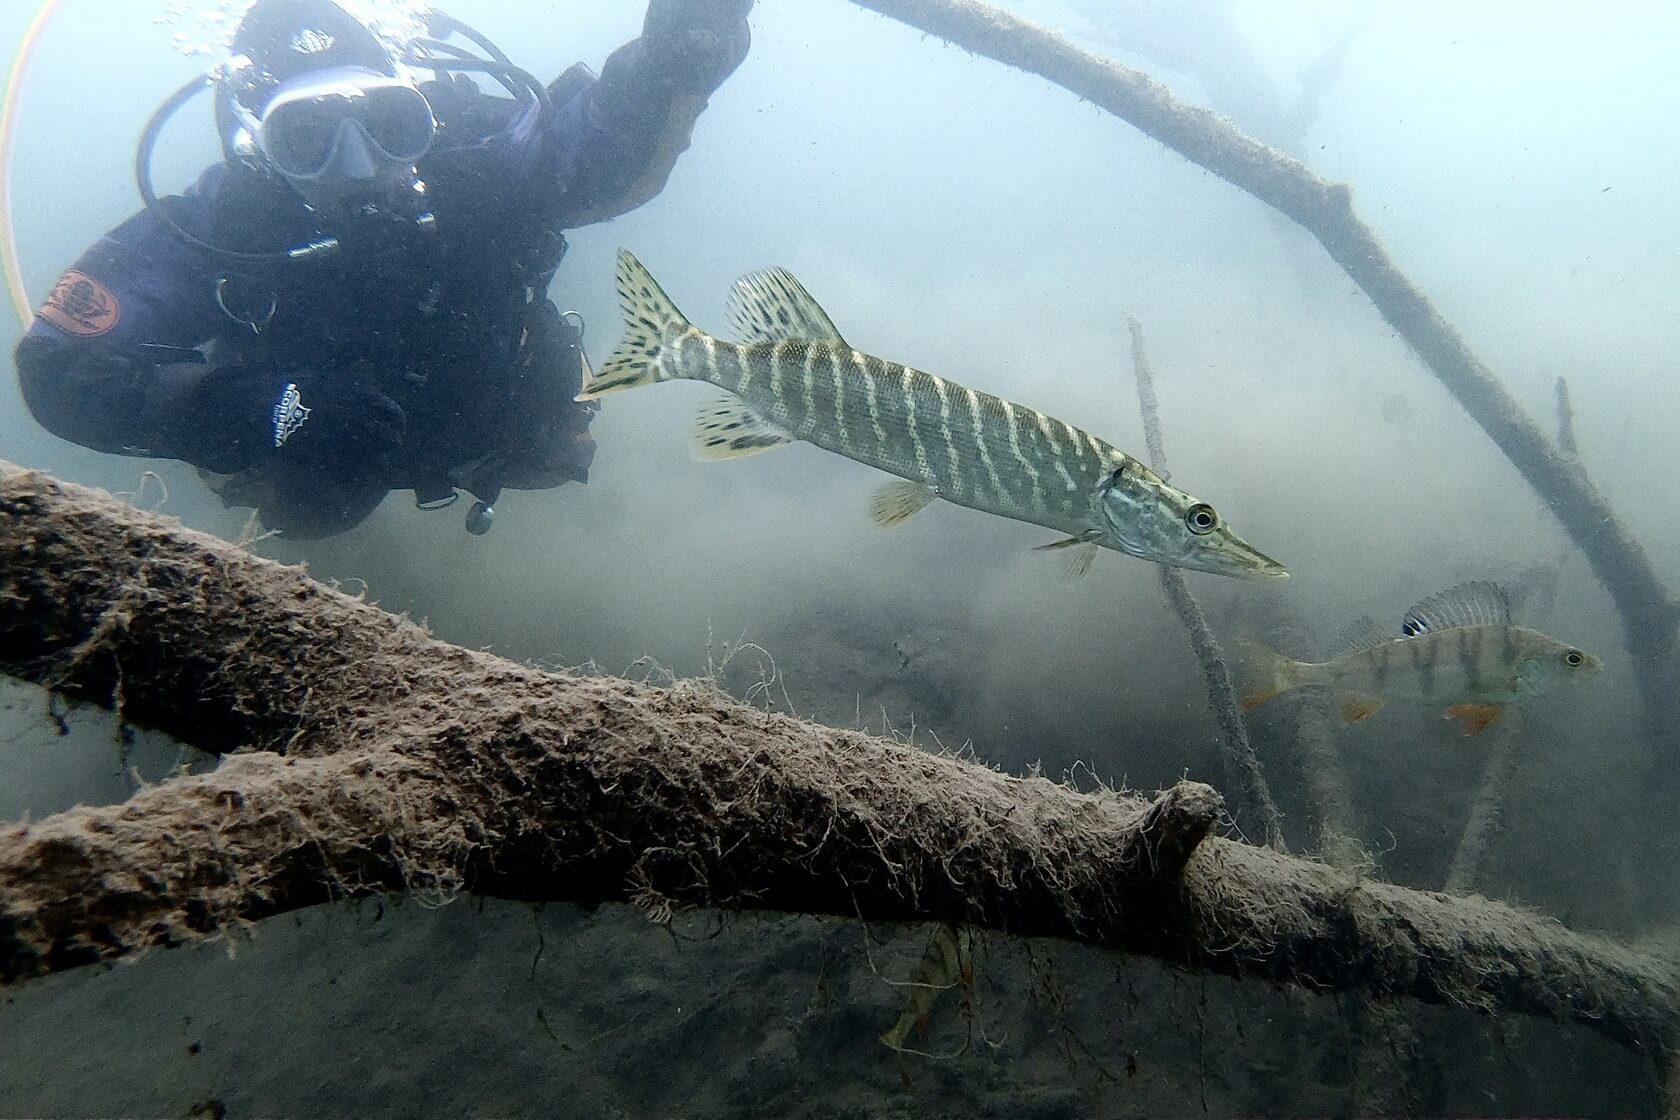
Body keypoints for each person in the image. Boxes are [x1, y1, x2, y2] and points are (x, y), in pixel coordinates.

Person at [15, 0, 752, 538]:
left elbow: (593, 147)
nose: (358, 163)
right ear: (259, 142)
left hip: (497, 426)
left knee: (550, 439)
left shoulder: (474, 160)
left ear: (419, 107)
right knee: (309, 517)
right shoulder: (219, 225)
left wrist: (674, 59)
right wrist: (262, 411)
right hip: (316, 458)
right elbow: (58, 367)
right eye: (306, 137)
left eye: (389, 124)